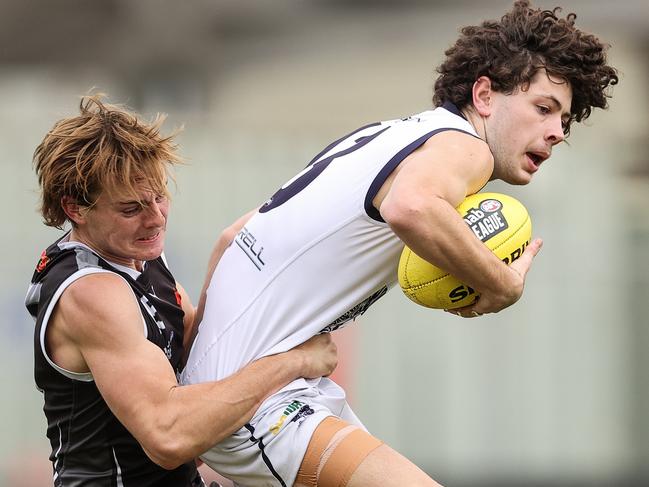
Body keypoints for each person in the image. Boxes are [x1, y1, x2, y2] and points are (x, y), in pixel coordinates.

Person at [182, 1, 619, 486]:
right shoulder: (465, 148)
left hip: (256, 394)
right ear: (484, 95)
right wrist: (501, 285)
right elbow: (411, 207)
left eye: (565, 121)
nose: (557, 133)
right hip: (259, 408)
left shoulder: (388, 136)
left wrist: (201, 377)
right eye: (544, 109)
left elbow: (230, 239)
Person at [25, 95, 338, 487]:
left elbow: (195, 357)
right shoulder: (92, 291)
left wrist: (223, 266)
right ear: (76, 209)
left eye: (159, 197)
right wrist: (294, 362)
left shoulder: (135, 255)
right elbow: (169, 437)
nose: (155, 219)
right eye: (131, 209)